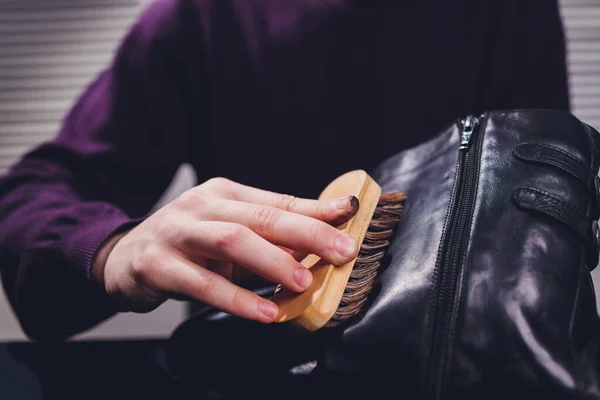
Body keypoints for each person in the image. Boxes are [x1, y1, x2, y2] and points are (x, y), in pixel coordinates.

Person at [0, 0, 570, 343]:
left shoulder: (508, 10)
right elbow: (33, 195)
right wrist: (112, 250)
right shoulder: (203, 16)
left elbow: (543, 217)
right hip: (249, 373)